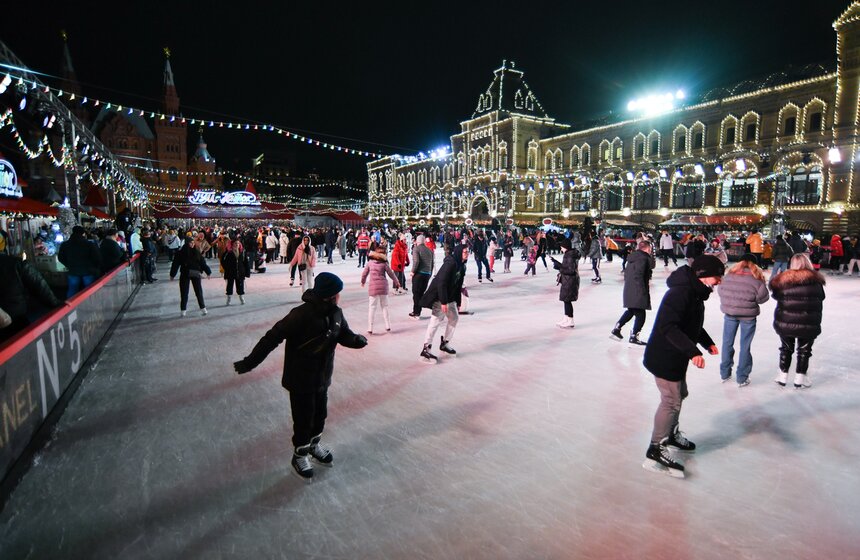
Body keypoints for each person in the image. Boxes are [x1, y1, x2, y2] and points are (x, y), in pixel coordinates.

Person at [233, 273, 368, 480]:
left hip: (322, 376)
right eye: (337, 293)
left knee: (320, 415)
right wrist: (250, 362)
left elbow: (343, 334)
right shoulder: (300, 315)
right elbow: (272, 337)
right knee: (304, 418)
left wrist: (356, 340)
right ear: (330, 295)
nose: (339, 296)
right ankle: (299, 455)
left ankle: (313, 446)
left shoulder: (336, 313)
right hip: (300, 378)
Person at [642, 255, 724, 479]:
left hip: (676, 354)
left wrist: (706, 343)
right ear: (703, 275)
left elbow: (692, 323)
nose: (719, 281)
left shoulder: (695, 292)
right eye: (717, 276)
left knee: (680, 394)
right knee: (671, 400)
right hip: (665, 355)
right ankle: (655, 448)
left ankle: (671, 435)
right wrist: (693, 351)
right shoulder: (680, 293)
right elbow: (668, 327)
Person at [769, 253, 826, 389]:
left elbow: (775, 295)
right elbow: (821, 297)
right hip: (808, 321)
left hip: (786, 320)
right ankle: (800, 378)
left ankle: (782, 376)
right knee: (804, 350)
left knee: (786, 348)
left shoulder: (783, 280)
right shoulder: (816, 281)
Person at [717, 256, 770, 386]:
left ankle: (725, 373)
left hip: (730, 314)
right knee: (745, 346)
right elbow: (763, 298)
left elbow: (720, 291)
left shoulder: (729, 276)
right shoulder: (757, 278)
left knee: (727, 343)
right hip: (748, 316)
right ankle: (742, 377)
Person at [419, 244, 468, 363]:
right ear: (459, 252)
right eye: (465, 252)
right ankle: (426, 349)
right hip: (439, 296)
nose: (467, 254)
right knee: (435, 321)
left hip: (450, 297)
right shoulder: (450, 264)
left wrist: (458, 302)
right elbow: (441, 283)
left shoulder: (462, 266)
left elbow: (458, 285)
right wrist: (444, 302)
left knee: (454, 318)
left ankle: (445, 343)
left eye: (468, 252)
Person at [0, 253, 63, 343]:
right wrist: (56, 303)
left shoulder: (17, 263)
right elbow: (39, 286)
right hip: (17, 320)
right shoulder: (15, 263)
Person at [610, 241, 655, 345]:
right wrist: (642, 290)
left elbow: (627, 274)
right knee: (641, 314)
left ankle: (617, 327)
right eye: (650, 249)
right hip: (637, 289)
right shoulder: (643, 258)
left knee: (631, 310)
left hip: (629, 287)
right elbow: (639, 274)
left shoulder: (633, 257)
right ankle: (634, 336)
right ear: (648, 248)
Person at [170, 234, 210, 317]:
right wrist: (172, 274)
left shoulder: (196, 252)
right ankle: (183, 309)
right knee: (184, 293)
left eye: (193, 243)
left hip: (195, 273)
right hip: (185, 274)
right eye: (191, 243)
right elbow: (175, 264)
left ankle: (203, 307)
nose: (192, 244)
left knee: (198, 292)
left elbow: (202, 262)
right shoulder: (180, 253)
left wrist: (208, 272)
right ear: (186, 244)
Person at [361, 247, 399, 333]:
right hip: (383, 287)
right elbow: (391, 274)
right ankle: (387, 325)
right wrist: (396, 281)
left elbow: (364, 274)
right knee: (385, 306)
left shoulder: (370, 263)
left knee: (372, 307)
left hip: (373, 287)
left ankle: (370, 327)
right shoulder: (384, 263)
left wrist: (362, 282)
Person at [58, 225, 102, 298]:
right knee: (89, 290)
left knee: (72, 290)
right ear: (83, 233)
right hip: (88, 271)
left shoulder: (65, 244)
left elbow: (60, 257)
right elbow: (97, 257)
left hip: (73, 270)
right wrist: (95, 267)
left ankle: (71, 304)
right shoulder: (89, 244)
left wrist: (68, 265)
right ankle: (90, 302)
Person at [550, 238, 580, 328]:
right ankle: (566, 318)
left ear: (565, 247)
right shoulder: (569, 254)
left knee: (567, 300)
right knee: (566, 300)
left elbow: (570, 270)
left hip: (570, 281)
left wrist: (559, 267)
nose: (561, 248)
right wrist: (557, 263)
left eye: (562, 247)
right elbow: (567, 266)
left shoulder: (569, 255)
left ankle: (570, 320)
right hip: (568, 280)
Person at [409, 233, 434, 319]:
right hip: (427, 274)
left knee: (416, 293)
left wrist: (412, 271)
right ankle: (418, 311)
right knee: (421, 293)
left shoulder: (416, 249)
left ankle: (417, 312)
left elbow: (416, 261)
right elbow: (432, 264)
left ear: (417, 241)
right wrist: (429, 273)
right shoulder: (429, 250)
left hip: (419, 274)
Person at [221, 233, 247, 305]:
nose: (237, 245)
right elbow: (223, 261)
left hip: (240, 272)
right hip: (230, 272)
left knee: (240, 286)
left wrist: (246, 272)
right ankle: (229, 298)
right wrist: (227, 268)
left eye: (238, 243)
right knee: (229, 286)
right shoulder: (228, 252)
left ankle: (241, 297)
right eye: (235, 243)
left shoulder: (242, 252)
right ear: (232, 244)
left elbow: (245, 262)